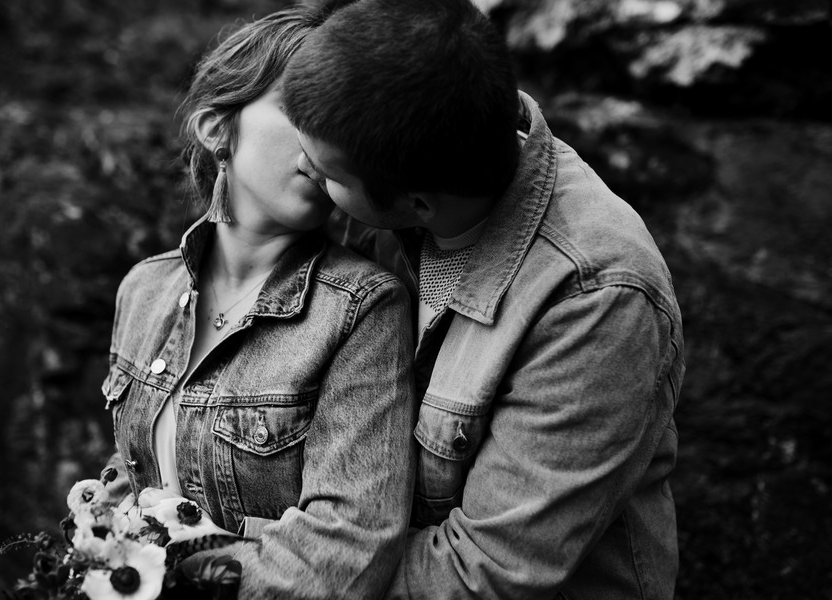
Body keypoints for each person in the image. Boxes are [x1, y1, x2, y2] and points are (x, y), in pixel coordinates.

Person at [281, 0, 686, 598]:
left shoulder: (595, 297)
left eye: (327, 171)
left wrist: (274, 573)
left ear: (418, 202)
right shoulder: (407, 164)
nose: (301, 168)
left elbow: (489, 571)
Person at [101, 6, 416, 599]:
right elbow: (147, 467)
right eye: (304, 111)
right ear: (218, 129)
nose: (328, 142)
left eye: (345, 122)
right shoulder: (143, 291)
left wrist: (178, 585)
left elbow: (348, 547)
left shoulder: (362, 309)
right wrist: (102, 516)